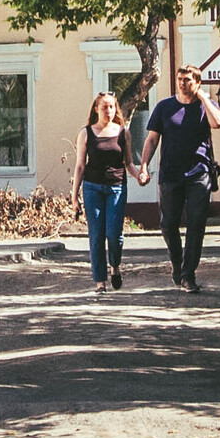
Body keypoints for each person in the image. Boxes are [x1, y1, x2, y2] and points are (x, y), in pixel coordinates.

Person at [140, 67, 220, 292]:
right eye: (179, 80)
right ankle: (177, 264)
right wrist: (144, 166)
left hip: (199, 173)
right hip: (170, 173)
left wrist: (204, 98)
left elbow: (218, 123)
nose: (182, 84)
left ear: (197, 83)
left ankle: (189, 275)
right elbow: (152, 139)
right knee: (168, 225)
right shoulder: (164, 107)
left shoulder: (204, 107)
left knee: (196, 224)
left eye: (187, 80)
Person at [72, 92, 145, 292]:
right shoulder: (86, 133)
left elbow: (129, 163)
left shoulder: (123, 133)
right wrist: (74, 196)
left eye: (111, 107)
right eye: (104, 107)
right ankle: (100, 282)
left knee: (114, 234)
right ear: (96, 109)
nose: (108, 111)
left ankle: (115, 266)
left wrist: (139, 175)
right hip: (92, 188)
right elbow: (79, 165)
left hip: (116, 188)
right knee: (96, 236)